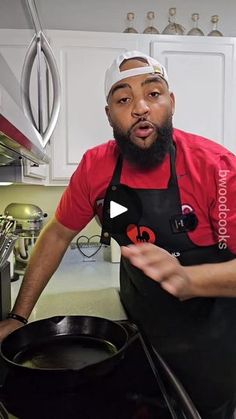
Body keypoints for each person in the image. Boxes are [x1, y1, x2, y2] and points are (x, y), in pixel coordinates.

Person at [0, 50, 236, 418]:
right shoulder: (96, 167)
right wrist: (18, 317)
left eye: (153, 94)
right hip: (138, 327)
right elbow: (58, 234)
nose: (140, 107)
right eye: (123, 99)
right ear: (109, 114)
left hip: (211, 338)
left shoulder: (216, 169)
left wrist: (189, 279)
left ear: (171, 103)